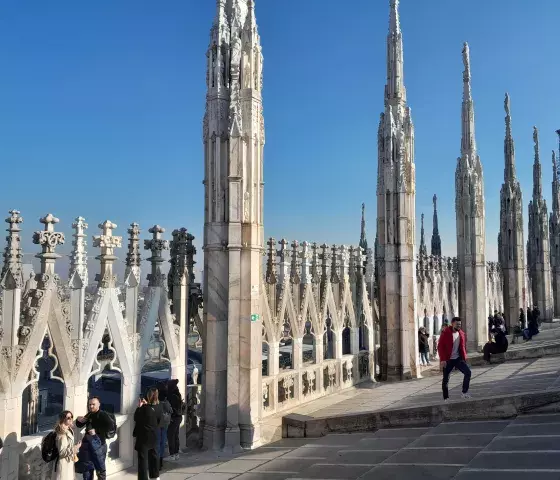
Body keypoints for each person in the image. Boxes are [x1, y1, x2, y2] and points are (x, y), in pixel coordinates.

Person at [76, 397, 114, 480]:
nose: (91, 406)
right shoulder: (89, 414)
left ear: (99, 404)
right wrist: (78, 420)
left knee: (100, 470)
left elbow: (111, 426)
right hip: (88, 446)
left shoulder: (103, 414)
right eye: (90, 404)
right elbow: (79, 425)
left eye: (93, 404)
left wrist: (96, 430)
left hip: (99, 446)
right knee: (87, 470)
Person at [437, 317, 471, 401]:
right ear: (452, 324)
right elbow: (440, 347)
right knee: (446, 379)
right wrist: (443, 359)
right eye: (457, 324)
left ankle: (464, 392)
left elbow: (462, 347)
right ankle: (446, 397)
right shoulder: (446, 333)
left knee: (468, 372)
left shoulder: (461, 333)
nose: (459, 326)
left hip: (458, 359)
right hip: (448, 360)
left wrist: (465, 357)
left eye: (460, 324)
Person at [134, 387, 161, 480]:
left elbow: (136, 417)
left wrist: (139, 406)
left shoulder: (144, 409)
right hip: (154, 435)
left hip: (144, 438)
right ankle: (155, 476)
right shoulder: (159, 407)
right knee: (154, 456)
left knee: (143, 461)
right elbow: (158, 420)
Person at [51, 410, 80, 480]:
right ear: (63, 419)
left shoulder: (69, 430)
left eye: (71, 417)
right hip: (63, 464)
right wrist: (75, 448)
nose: (71, 419)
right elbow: (62, 452)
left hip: (69, 462)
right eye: (68, 418)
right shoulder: (62, 434)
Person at [156, 383, 173, 470]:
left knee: (158, 443)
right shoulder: (166, 402)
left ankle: (158, 462)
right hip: (165, 423)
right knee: (162, 442)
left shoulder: (156, 403)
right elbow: (171, 410)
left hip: (158, 424)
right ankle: (160, 461)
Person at [167, 380, 183, 461]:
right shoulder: (178, 395)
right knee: (176, 436)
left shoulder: (172, 396)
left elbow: (171, 409)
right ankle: (176, 453)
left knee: (171, 436)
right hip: (179, 417)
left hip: (174, 418)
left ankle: (172, 454)